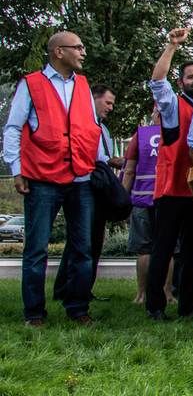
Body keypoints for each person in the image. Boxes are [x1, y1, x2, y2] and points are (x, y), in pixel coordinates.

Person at [4, 31, 101, 326]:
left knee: (83, 248)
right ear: (59, 52)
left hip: (80, 178)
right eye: (78, 47)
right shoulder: (31, 84)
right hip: (42, 178)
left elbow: (88, 127)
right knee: (36, 249)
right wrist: (16, 169)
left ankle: (78, 308)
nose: (83, 52)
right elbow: (12, 128)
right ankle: (34, 313)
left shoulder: (83, 85)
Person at [144, 27, 193, 320]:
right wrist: (172, 47)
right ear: (181, 81)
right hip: (172, 189)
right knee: (163, 250)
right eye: (191, 77)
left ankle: (190, 305)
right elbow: (157, 81)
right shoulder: (173, 105)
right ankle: (155, 305)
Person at [52, 84, 118, 303]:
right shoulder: (83, 123)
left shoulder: (104, 129)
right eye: (107, 102)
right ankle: (65, 289)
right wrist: (115, 161)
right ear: (94, 99)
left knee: (93, 241)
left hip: (99, 188)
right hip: (85, 185)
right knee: (81, 242)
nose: (110, 108)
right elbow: (93, 156)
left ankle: (82, 288)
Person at [123, 111, 168, 304]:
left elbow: (129, 169)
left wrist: (123, 199)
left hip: (141, 198)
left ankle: (141, 293)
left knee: (144, 250)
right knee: (167, 249)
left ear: (155, 114)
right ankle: (167, 292)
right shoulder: (175, 133)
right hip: (166, 197)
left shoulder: (141, 134)